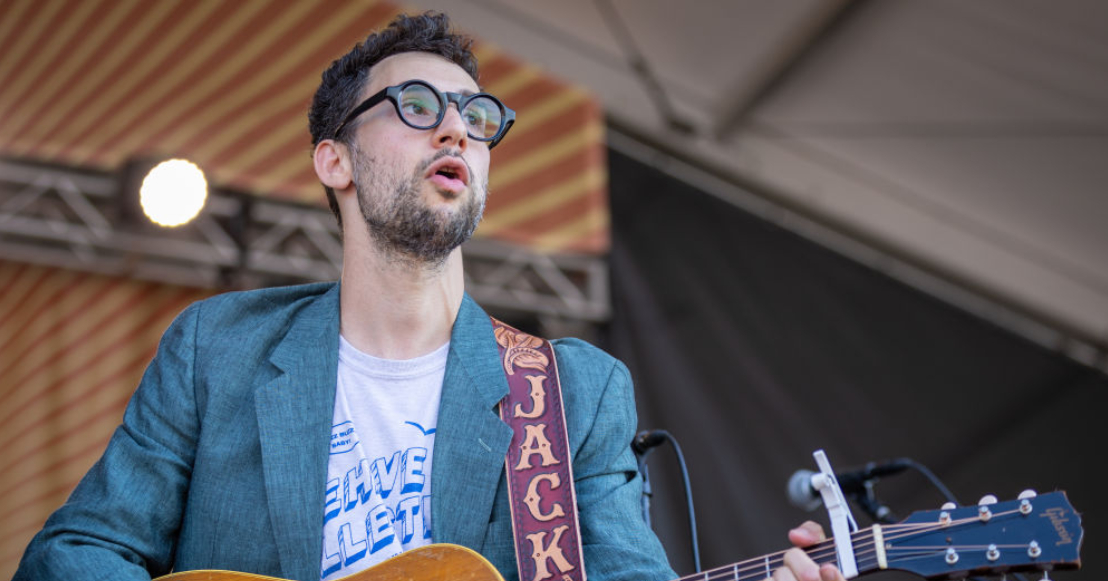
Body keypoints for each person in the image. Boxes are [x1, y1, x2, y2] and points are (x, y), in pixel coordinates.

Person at [14, 12, 839, 581]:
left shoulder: (574, 394)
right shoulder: (216, 348)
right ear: (334, 159)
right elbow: (72, 552)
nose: (455, 130)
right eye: (416, 106)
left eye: (478, 117)